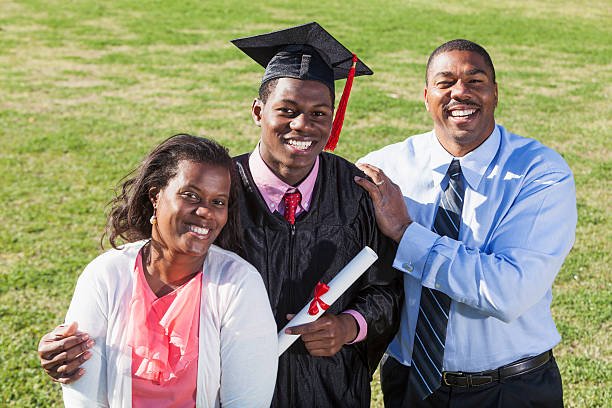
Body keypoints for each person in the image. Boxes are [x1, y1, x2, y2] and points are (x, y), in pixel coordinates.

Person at [38, 23, 402, 407]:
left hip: (328, 385)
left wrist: (349, 327)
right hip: (221, 380)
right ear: (258, 111)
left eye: (318, 113)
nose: (302, 125)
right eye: (287, 110)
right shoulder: (217, 189)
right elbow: (150, 281)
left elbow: (388, 288)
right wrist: (69, 343)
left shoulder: (358, 192)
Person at [355, 39, 577, 407]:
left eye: (475, 81)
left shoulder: (539, 173)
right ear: (426, 96)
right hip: (410, 383)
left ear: (495, 93)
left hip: (512, 388)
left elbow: (508, 291)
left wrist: (406, 234)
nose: (460, 92)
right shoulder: (387, 169)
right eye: (445, 83)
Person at [49, 134, 278, 407]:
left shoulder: (240, 284)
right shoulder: (105, 276)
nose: (206, 212)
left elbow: (247, 401)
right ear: (156, 196)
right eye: (191, 195)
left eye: (218, 202)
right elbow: (82, 394)